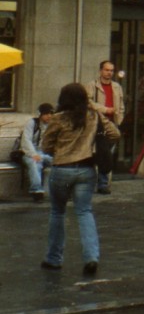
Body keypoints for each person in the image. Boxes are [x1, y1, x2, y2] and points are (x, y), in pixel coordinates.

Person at [39, 82, 121, 277]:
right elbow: (115, 134)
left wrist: (59, 149)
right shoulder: (93, 117)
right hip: (86, 170)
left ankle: (54, 258)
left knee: (58, 213)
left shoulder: (58, 119)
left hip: (62, 170)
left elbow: (46, 146)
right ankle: (91, 257)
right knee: (84, 212)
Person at [85, 60, 124, 194]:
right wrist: (105, 109)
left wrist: (119, 118)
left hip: (112, 123)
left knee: (107, 155)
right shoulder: (92, 85)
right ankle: (99, 183)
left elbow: (121, 105)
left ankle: (103, 183)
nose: (109, 73)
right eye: (107, 70)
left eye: (112, 70)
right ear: (101, 70)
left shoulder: (117, 86)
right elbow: (88, 102)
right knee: (99, 154)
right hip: (97, 123)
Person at [20, 102, 55, 202]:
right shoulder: (32, 123)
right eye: (46, 114)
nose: (49, 116)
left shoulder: (52, 125)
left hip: (45, 153)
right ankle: (37, 191)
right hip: (29, 153)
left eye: (51, 114)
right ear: (40, 114)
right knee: (35, 163)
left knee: (60, 164)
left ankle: (62, 191)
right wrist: (33, 154)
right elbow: (26, 140)